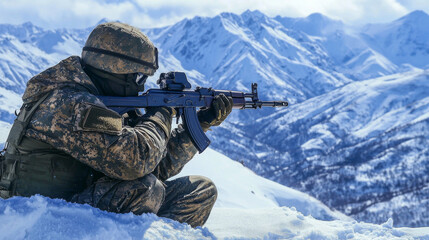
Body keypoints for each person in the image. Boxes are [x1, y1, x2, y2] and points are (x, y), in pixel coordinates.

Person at [0, 22, 233, 228]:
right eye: (139, 77)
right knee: (146, 189)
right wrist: (163, 112)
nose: (140, 87)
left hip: (80, 200)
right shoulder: (69, 105)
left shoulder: (102, 102)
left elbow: (154, 167)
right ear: (116, 69)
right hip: (41, 216)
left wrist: (199, 126)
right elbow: (137, 162)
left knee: (199, 191)